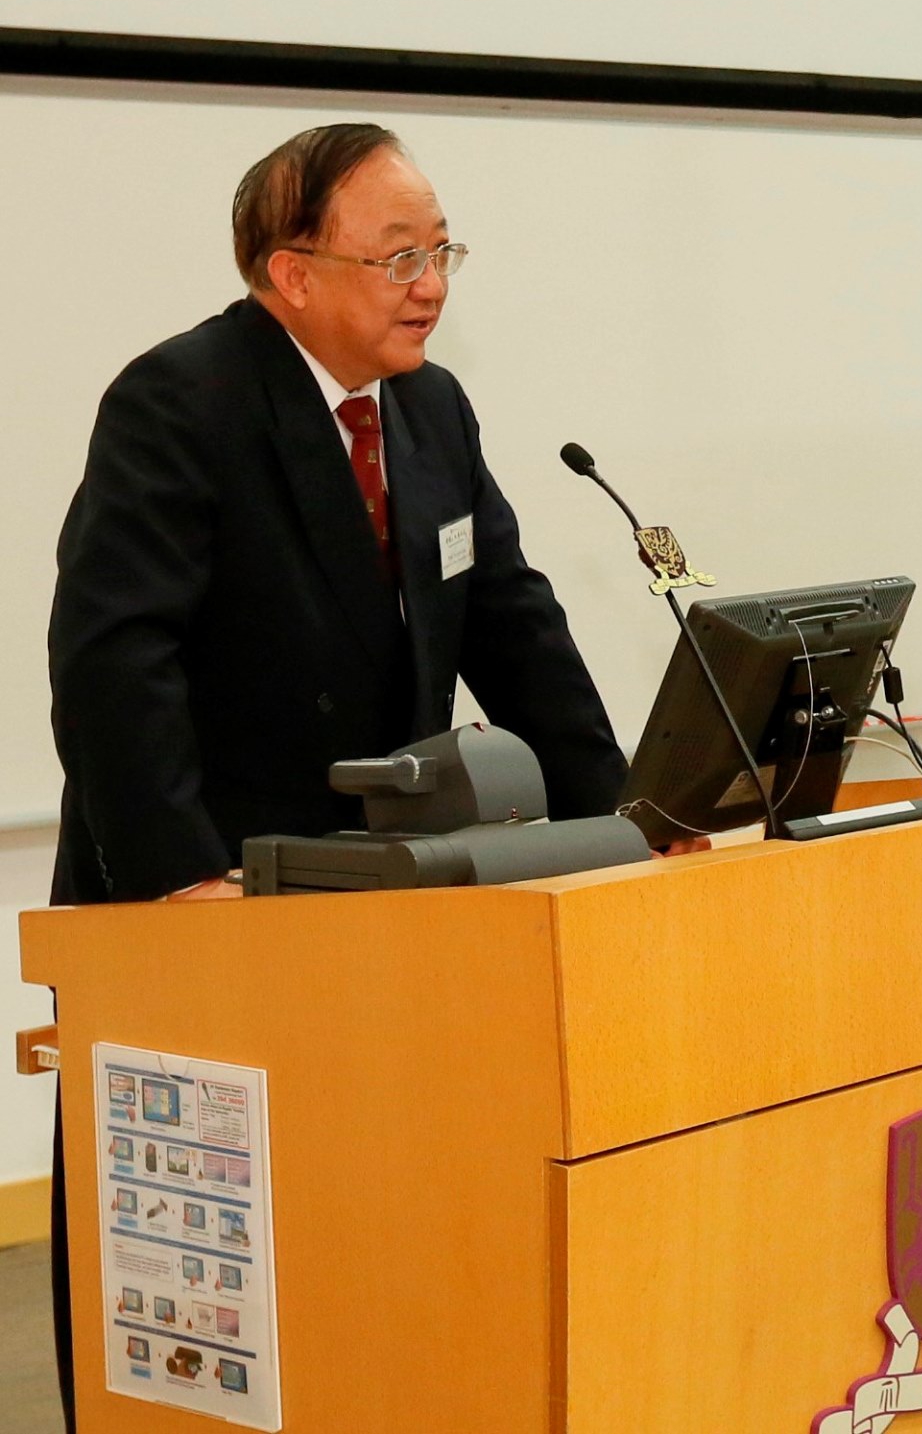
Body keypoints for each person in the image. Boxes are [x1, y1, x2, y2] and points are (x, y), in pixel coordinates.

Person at [44, 122, 630, 1425]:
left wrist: (631, 821)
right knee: (203, 1298)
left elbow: (512, 625)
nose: (428, 282)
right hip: (210, 898)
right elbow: (109, 660)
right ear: (291, 273)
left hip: (384, 899)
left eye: (440, 251)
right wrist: (183, 880)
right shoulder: (180, 400)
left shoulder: (432, 407)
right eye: (396, 255)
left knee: (364, 1262)